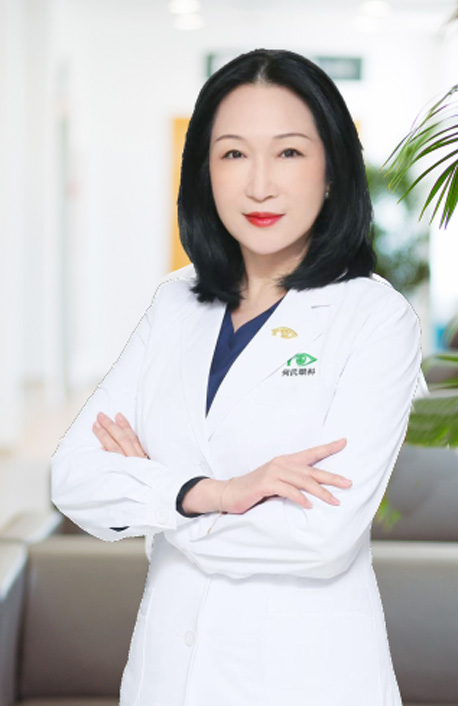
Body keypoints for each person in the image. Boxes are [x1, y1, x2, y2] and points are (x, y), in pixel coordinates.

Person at [51, 48, 424, 706]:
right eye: (232, 154)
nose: (259, 185)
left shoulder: (373, 318)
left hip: (303, 678)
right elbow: (73, 477)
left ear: (333, 170)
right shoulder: (176, 301)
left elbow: (319, 537)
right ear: (205, 172)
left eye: (288, 152)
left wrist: (159, 502)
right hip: (166, 674)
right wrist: (218, 493)